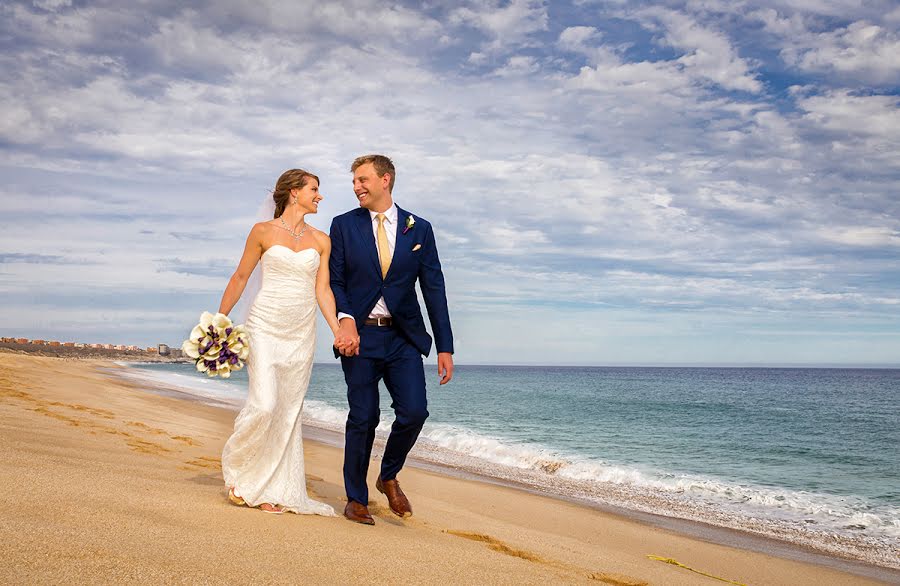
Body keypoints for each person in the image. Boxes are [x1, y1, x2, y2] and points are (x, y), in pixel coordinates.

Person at [329, 154, 454, 525]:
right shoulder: (343, 226)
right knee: (364, 417)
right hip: (361, 336)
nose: (357, 187)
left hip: (402, 337)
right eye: (354, 181)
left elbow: (434, 288)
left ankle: (388, 475)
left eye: (363, 180)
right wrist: (345, 321)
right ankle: (356, 497)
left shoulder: (419, 228)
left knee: (415, 411)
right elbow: (335, 280)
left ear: (386, 180)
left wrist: (444, 346)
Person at [216, 169, 339, 516]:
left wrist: (338, 328)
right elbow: (241, 276)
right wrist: (219, 321)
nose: (320, 196)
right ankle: (239, 473)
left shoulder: (321, 240)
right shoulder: (262, 232)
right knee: (264, 404)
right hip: (265, 325)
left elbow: (323, 290)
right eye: (314, 189)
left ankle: (270, 485)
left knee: (287, 412)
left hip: (301, 332)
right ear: (294, 192)